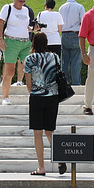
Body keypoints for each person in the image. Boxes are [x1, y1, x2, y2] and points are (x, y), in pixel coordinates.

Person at [24, 32, 66, 176]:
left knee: (37, 133)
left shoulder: (30, 59)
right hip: (53, 97)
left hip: (37, 97)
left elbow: (28, 84)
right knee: (50, 131)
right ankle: (60, 158)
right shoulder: (55, 57)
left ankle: (41, 167)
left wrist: (35, 91)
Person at [0, 0, 33, 105]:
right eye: (20, 1)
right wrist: (1, 39)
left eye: (23, 1)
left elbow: (26, 26)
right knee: (10, 71)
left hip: (25, 42)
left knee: (27, 69)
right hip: (11, 41)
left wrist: (34, 28)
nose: (22, 3)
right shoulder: (7, 8)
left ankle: (32, 96)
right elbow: (0, 24)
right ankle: (5, 97)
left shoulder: (26, 10)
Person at [58, 0, 85, 85]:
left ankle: (65, 83)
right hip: (75, 35)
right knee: (76, 62)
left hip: (64, 35)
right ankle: (76, 83)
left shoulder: (62, 7)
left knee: (64, 62)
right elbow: (83, 22)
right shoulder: (79, 7)